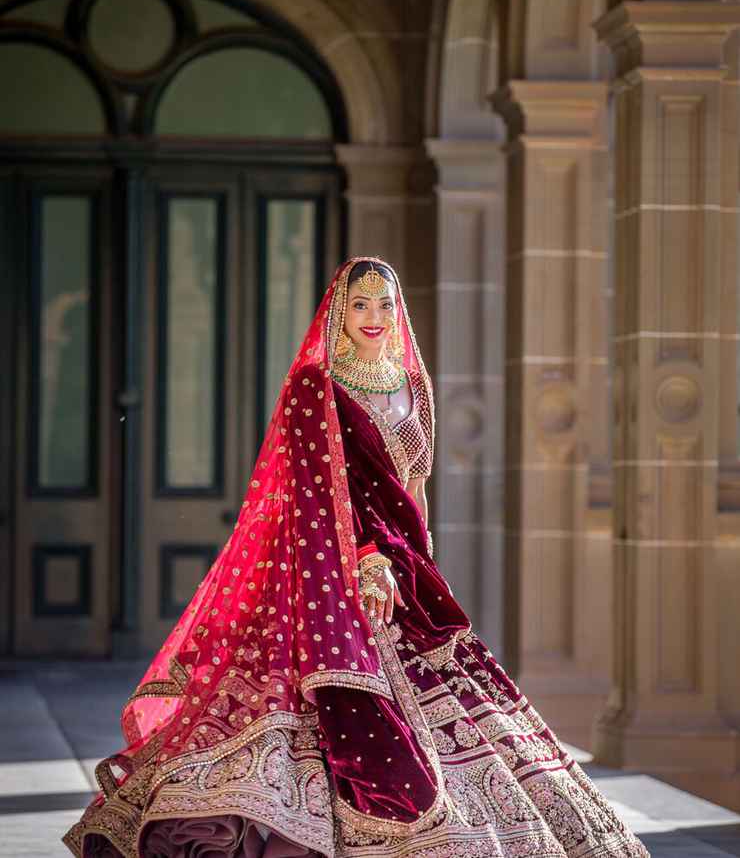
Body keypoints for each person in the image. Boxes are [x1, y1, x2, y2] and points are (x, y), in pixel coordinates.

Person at [63, 257, 649, 858]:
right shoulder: (315, 389)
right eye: (361, 305)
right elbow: (316, 494)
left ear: (399, 312)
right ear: (338, 313)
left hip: (407, 573)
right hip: (337, 571)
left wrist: (419, 566)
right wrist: (366, 560)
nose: (373, 317)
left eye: (385, 305)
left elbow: (414, 486)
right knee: (341, 716)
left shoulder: (410, 383)